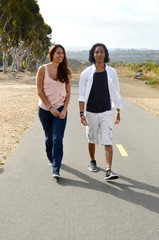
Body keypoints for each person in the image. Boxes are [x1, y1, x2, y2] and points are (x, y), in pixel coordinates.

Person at [78, 43, 123, 180]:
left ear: (105, 54)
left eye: (102, 52)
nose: (99, 54)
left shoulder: (112, 72)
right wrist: (81, 113)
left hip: (105, 112)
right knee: (91, 139)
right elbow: (81, 95)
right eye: (96, 52)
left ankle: (108, 170)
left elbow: (116, 93)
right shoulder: (86, 73)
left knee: (107, 140)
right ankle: (92, 160)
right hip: (90, 112)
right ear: (92, 55)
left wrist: (118, 111)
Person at [36, 44, 71, 179]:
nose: (61, 55)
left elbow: (68, 93)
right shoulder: (43, 69)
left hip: (61, 109)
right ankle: (51, 158)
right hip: (45, 109)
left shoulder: (66, 72)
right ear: (52, 54)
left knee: (58, 139)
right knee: (49, 137)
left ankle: (56, 169)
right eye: (58, 53)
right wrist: (50, 108)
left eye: (62, 53)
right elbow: (39, 91)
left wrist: (64, 110)